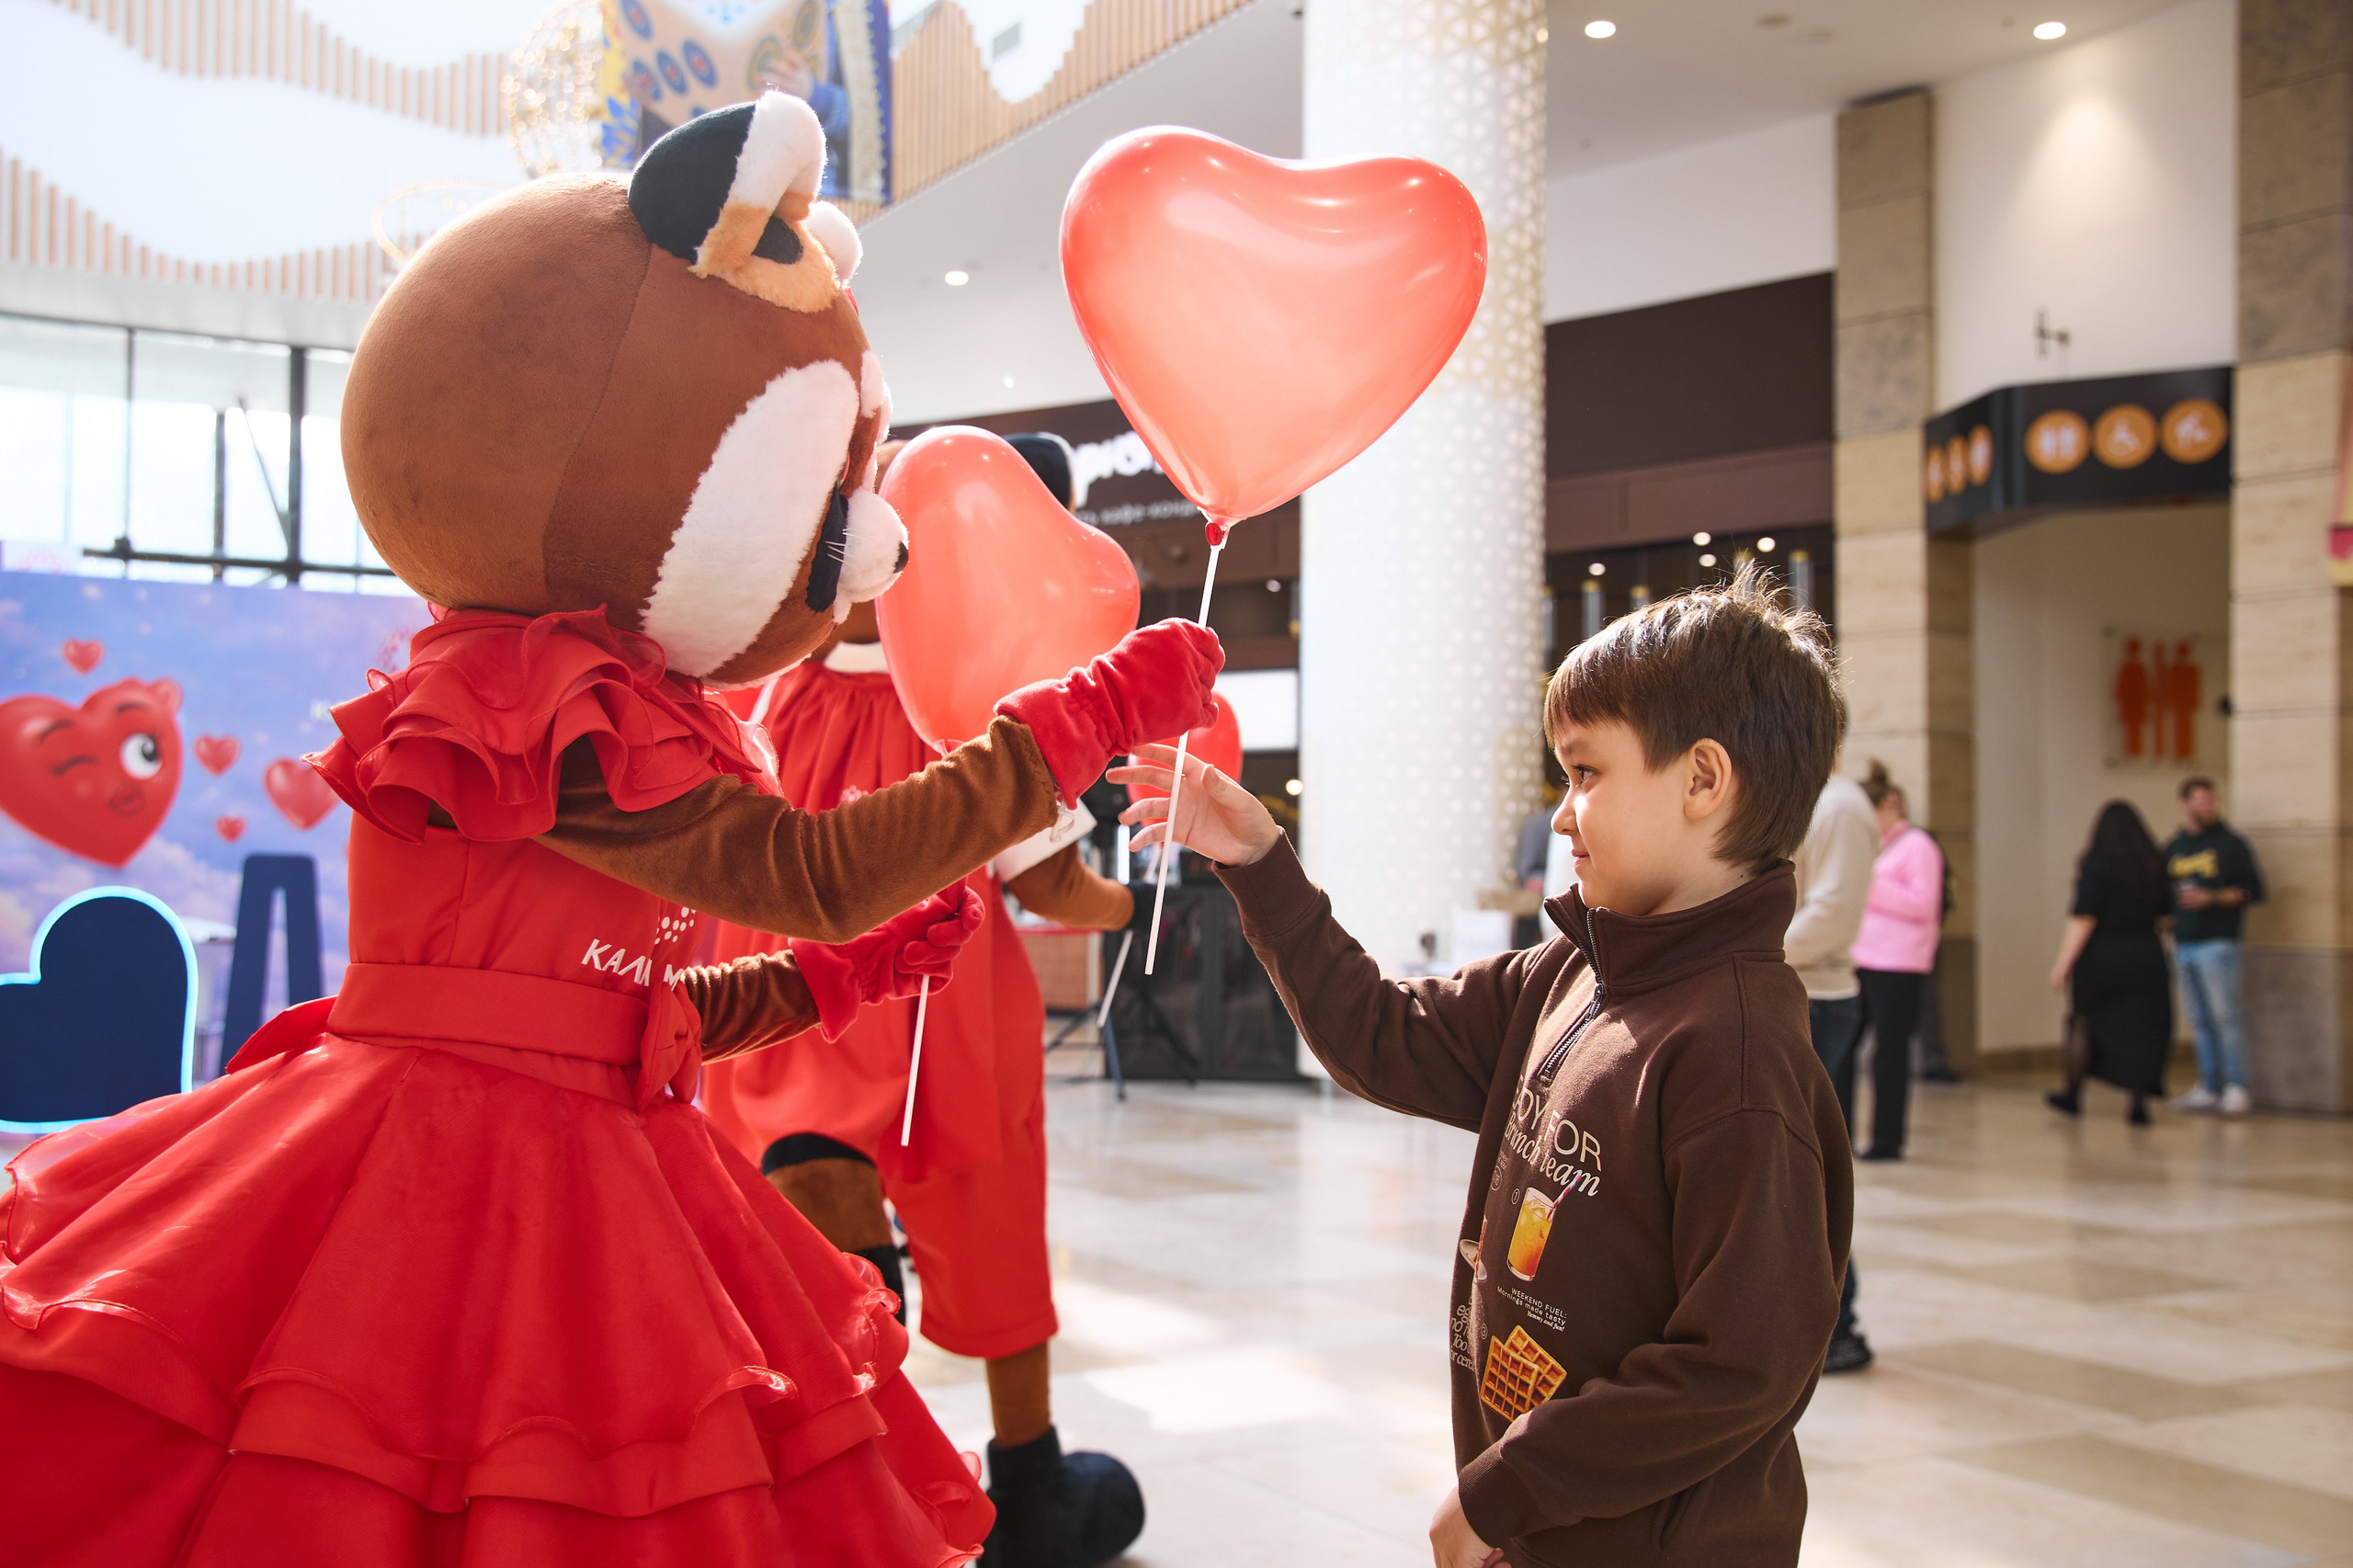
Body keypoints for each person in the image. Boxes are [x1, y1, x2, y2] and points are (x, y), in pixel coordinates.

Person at [0, 100, 1225, 1565]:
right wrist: (1076, 722)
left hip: (584, 1160)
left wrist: (830, 985)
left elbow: (615, 1014)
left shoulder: (630, 709)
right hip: (438, 1189)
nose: (860, 557)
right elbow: (804, 876)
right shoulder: (524, 699)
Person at [1118, 566, 1851, 1568]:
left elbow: (1740, 1363)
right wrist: (1258, 862)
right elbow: (1380, 1032)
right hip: (1547, 1527)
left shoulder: (1737, 1055)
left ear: (1702, 779)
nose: (1559, 814)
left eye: (1586, 774)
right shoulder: (1569, 971)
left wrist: (1511, 1487)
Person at [703, 435, 1147, 1568]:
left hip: (795, 994)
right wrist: (1120, 908)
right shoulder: (977, 703)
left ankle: (843, 1462)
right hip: (945, 1012)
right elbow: (1048, 877)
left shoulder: (769, 698)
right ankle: (1030, 1479)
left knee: (804, 1212)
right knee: (989, 1217)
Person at [1788, 763, 1879, 1371]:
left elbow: (1832, 915)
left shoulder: (1840, 804)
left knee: (1800, 1170)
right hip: (1788, 988)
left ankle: (1838, 1326)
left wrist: (1742, 950)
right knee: (1783, 1168)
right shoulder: (1789, 790)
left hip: (1815, 997)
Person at [2047, 801, 2176, 1126]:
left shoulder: (2097, 864)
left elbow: (2084, 916)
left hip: (2101, 956)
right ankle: (2138, 1102)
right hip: (2146, 954)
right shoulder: (2154, 864)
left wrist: (2063, 962)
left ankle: (2073, 1093)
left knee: (2085, 1023)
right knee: (2142, 1029)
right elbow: (2167, 915)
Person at [1851, 761, 1944, 1160]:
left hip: (1900, 965)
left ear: (1889, 805)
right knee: (1844, 1050)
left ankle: (1887, 1140)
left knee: (1889, 1053)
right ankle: (1838, 1134)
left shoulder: (1918, 846)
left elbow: (1923, 905)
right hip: (1863, 959)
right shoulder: (1877, 846)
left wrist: (1869, 883)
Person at [2164, 777, 2264, 1117]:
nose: (2208, 807)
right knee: (2198, 1018)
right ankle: (2209, 1085)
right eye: (2201, 801)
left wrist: (2214, 897)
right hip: (2184, 942)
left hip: (2218, 942)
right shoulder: (2174, 847)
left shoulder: (2231, 845)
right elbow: (2163, 893)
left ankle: (2237, 1085)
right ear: (2185, 803)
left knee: (2224, 1016)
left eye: (2212, 801)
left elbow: (2255, 890)